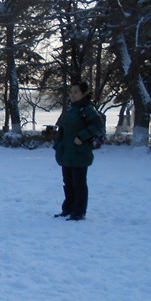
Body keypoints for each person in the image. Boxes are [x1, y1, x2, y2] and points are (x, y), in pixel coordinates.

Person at [53, 81, 104, 221]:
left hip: (80, 153)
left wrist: (82, 137)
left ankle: (79, 212)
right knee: (68, 183)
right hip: (67, 153)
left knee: (79, 184)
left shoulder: (87, 109)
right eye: (71, 92)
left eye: (76, 92)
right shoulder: (70, 110)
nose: (72, 94)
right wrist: (58, 145)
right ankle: (68, 209)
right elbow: (62, 129)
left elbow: (98, 124)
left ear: (84, 93)